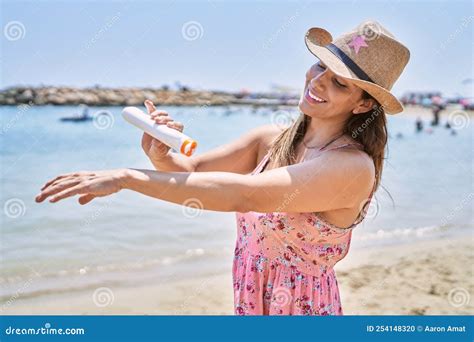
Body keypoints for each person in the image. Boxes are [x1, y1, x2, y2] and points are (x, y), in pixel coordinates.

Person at [35, 20, 410, 315]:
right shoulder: (271, 140)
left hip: (302, 309)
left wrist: (128, 178)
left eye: (339, 83)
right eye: (318, 66)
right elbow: (192, 169)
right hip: (251, 296)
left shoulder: (350, 167)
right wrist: (160, 151)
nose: (317, 82)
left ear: (362, 105)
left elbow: (241, 194)